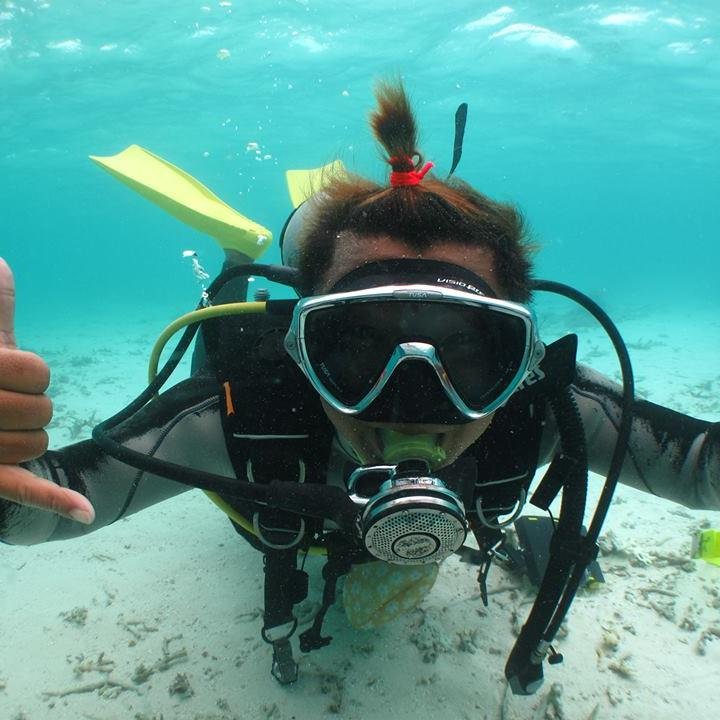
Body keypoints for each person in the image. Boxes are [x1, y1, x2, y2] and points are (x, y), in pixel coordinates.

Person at [1, 81, 718, 694]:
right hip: (274, 463)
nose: (411, 402)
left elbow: (700, 472)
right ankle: (234, 259)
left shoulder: (542, 409)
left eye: (466, 354)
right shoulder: (241, 416)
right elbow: (46, 504)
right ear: (298, 347)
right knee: (216, 358)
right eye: (355, 348)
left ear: (521, 358)